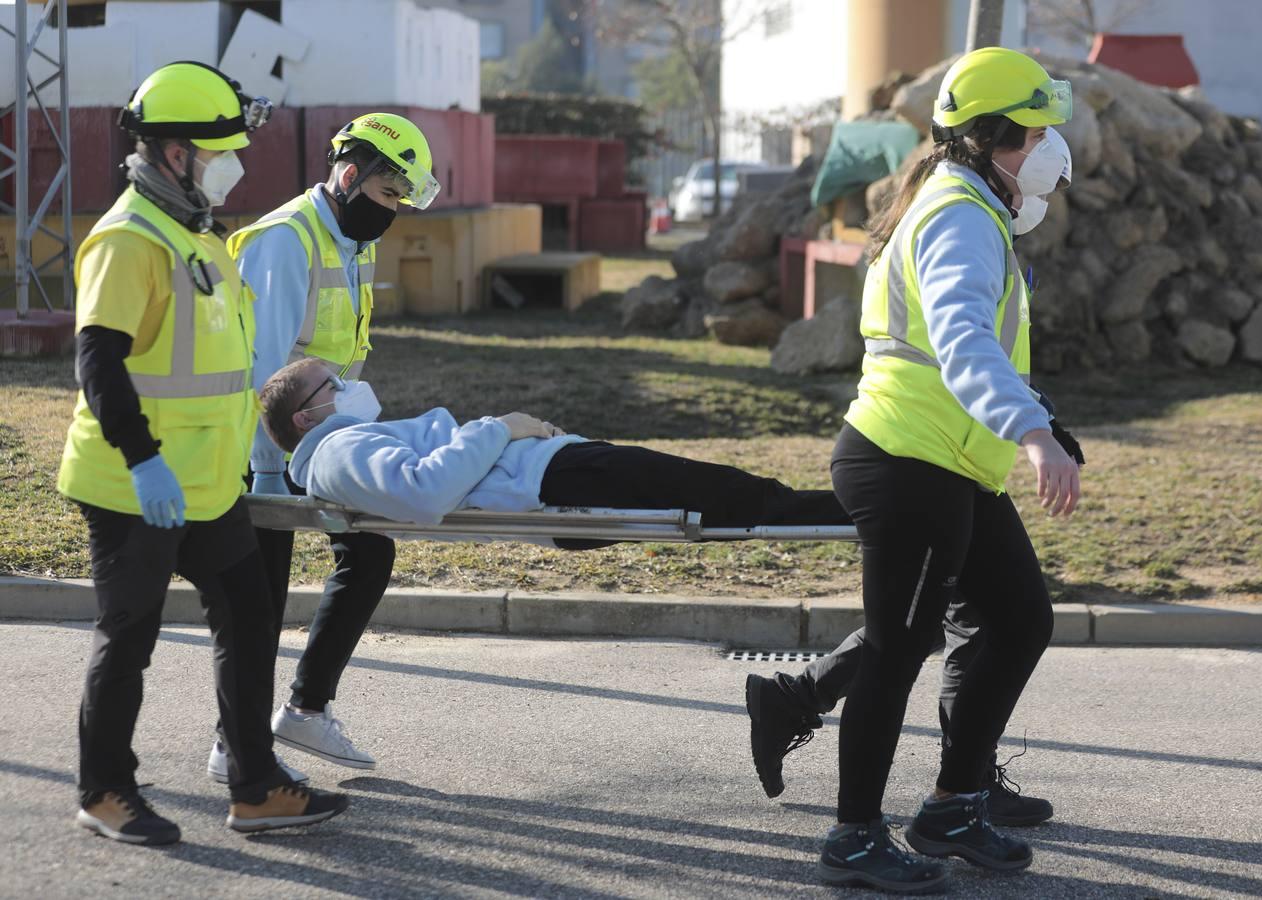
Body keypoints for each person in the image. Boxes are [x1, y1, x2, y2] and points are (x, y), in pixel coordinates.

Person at [796, 48, 1082, 893]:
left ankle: (953, 807)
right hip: (907, 459)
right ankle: (853, 838)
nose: (1048, 147)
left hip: (948, 462)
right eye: (1035, 131)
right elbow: (959, 343)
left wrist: (1039, 420)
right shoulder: (959, 214)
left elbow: (972, 347)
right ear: (993, 137)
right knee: (896, 651)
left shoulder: (969, 204)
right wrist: (1031, 432)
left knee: (1021, 617)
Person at [56, 61, 349, 846]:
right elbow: (99, 362)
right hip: (135, 483)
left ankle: (254, 785)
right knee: (130, 637)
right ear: (176, 153)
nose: (235, 163)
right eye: (221, 149)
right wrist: (144, 459)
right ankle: (105, 792)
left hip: (209, 484)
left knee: (250, 619)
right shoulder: (127, 238)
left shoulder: (197, 233)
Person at [217, 114, 440, 777]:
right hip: (266, 452)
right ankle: (234, 744)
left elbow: (339, 355)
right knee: (260, 601)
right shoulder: (287, 241)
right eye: (391, 194)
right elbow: (264, 372)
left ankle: (305, 711)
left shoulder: (350, 236)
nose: (394, 211)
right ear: (351, 175)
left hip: (321, 442)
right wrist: (270, 473)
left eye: (401, 198)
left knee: (369, 553)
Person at [254, 357, 850, 537]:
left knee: (734, 496)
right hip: (554, 478)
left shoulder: (345, 441)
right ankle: (874, 515)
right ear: (307, 417)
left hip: (555, 470)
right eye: (332, 384)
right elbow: (425, 493)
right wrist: (501, 426)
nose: (348, 384)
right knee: (743, 496)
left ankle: (866, 516)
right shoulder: (336, 451)